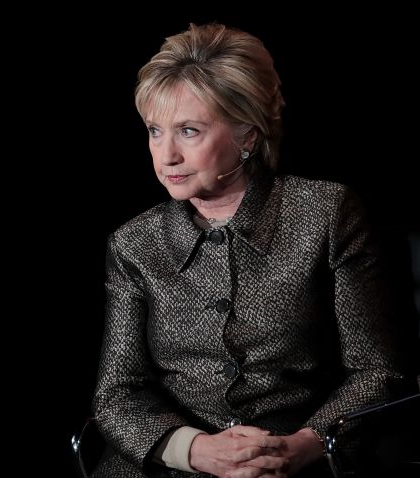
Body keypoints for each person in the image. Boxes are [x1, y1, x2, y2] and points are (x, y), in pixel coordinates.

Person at [91, 23, 404, 478]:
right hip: (167, 466)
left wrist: (304, 445)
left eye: (189, 131)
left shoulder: (325, 213)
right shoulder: (134, 243)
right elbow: (116, 394)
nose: (166, 155)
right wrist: (195, 450)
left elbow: (378, 371)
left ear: (248, 136)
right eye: (155, 131)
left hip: (295, 461)